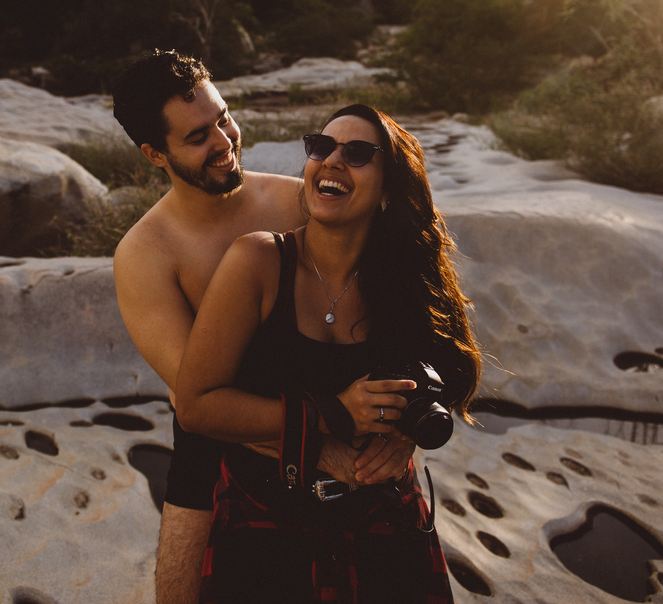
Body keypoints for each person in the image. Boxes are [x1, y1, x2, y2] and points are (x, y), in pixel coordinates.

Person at [112, 52, 417, 604]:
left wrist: (405, 428)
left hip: (344, 427)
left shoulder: (298, 201)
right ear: (155, 154)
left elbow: (396, 314)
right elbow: (199, 399)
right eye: (198, 137)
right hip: (216, 452)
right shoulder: (145, 255)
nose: (224, 141)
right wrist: (320, 446)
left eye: (223, 118)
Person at [175, 103, 482, 604]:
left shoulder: (404, 275)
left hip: (385, 527)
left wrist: (407, 433)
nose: (332, 160)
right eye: (321, 147)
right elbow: (196, 406)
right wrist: (332, 412)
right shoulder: (258, 260)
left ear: (388, 189)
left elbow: (457, 370)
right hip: (265, 531)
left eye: (357, 153)